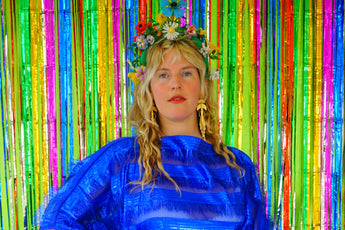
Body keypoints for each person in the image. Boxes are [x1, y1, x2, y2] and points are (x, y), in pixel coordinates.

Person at [40, 2, 269, 229]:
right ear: (149, 89)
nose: (175, 84)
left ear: (202, 87)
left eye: (186, 73)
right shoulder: (123, 159)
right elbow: (57, 220)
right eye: (163, 75)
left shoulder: (237, 167)